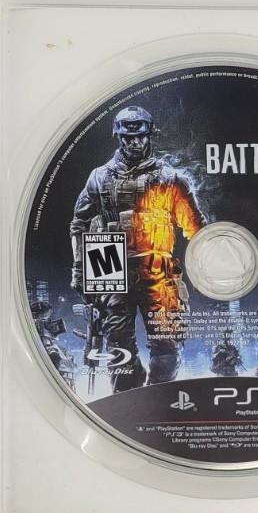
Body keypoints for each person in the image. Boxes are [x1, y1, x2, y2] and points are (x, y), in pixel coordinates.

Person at [69, 105, 202, 389]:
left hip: (157, 263)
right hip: (108, 259)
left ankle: (158, 394)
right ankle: (130, 397)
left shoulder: (171, 178)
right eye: (128, 138)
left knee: (167, 344)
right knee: (118, 345)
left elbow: (196, 229)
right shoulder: (99, 177)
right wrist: (79, 269)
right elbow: (79, 224)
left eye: (140, 136)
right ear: (119, 137)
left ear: (150, 135)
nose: (135, 143)